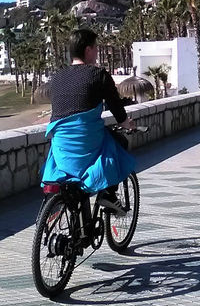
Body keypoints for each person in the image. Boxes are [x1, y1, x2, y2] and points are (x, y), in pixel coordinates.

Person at [41, 29, 136, 216]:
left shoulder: (57, 78)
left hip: (62, 146)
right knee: (121, 142)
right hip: (86, 143)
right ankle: (108, 194)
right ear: (88, 51)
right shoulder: (99, 75)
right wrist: (127, 124)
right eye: (96, 47)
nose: (97, 51)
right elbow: (116, 108)